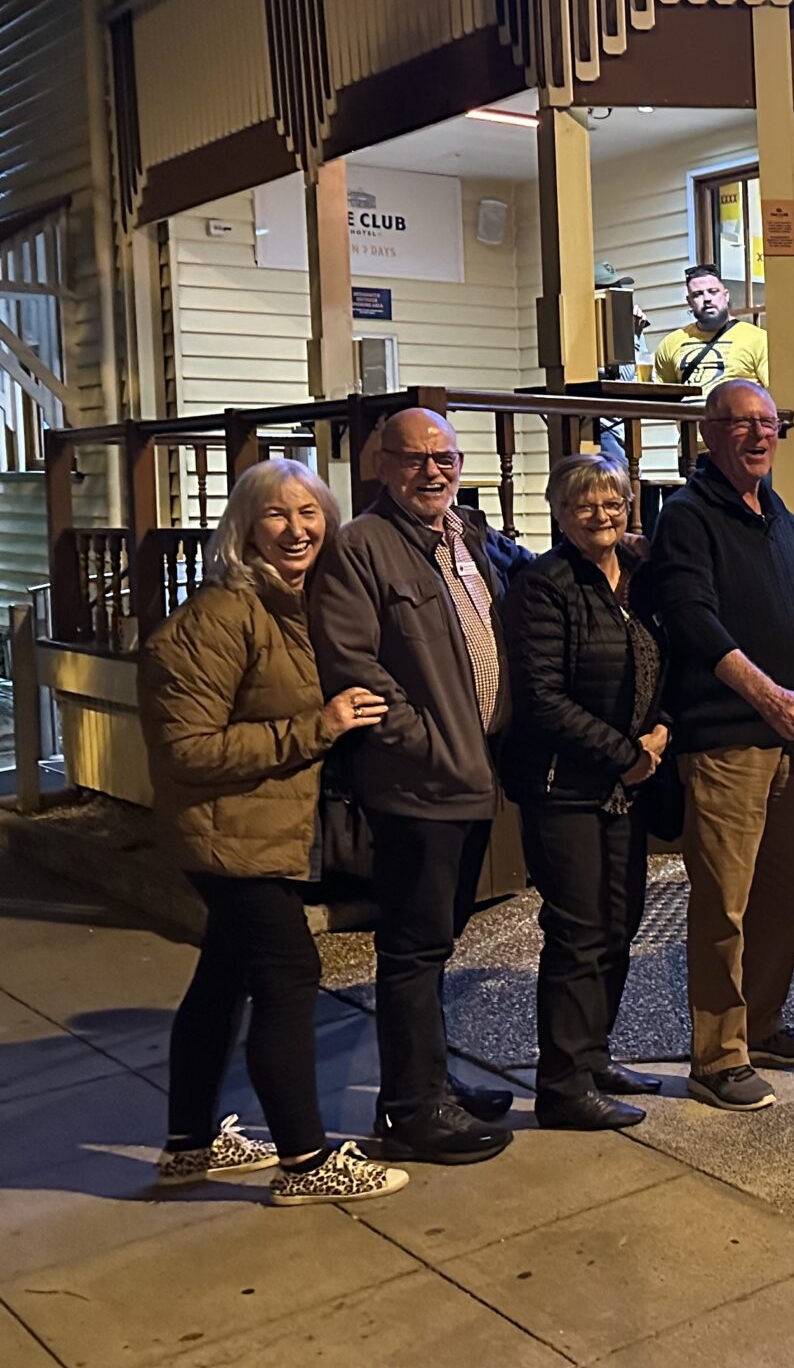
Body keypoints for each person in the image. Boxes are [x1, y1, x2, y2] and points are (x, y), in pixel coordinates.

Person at [139, 460, 408, 1205]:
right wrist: (317, 727)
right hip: (227, 835)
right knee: (288, 975)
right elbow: (187, 750)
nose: (296, 529)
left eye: (309, 513)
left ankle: (189, 1146)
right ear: (245, 528)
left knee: (222, 977)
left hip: (256, 829)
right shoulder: (220, 616)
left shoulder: (298, 604)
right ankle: (305, 1161)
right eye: (276, 515)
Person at [648, 378, 794, 1110]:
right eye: (741, 424)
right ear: (708, 433)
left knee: (784, 892)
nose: (758, 436)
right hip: (728, 740)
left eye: (769, 424)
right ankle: (717, 1057)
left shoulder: (772, 510)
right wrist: (768, 695)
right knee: (724, 904)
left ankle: (764, 1023)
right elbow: (692, 618)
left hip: (787, 740)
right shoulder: (687, 516)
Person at [309, 407, 517, 1164]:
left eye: (445, 458)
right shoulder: (361, 547)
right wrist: (427, 743)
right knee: (412, 947)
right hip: (420, 784)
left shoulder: (465, 536)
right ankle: (409, 1109)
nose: (433, 471)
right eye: (414, 458)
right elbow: (352, 664)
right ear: (382, 465)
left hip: (474, 775)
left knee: (437, 941)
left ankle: (431, 1081)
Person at [500, 456, 669, 1130]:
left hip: (627, 784)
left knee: (619, 923)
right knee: (578, 931)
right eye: (585, 505)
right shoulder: (544, 585)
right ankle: (562, 1086)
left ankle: (594, 1057)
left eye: (613, 502)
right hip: (563, 787)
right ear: (560, 514)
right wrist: (626, 756)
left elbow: (662, 666)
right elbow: (541, 697)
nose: (602, 515)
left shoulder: (638, 578)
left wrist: (662, 729)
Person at [652, 264, 770, 396]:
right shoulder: (670, 343)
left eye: (713, 291)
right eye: (698, 294)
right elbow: (663, 398)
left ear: (726, 296)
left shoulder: (758, 339)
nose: (707, 299)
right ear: (689, 301)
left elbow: (778, 392)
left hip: (735, 408)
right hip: (689, 408)